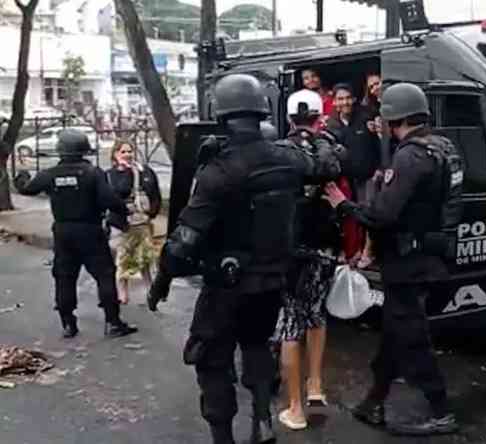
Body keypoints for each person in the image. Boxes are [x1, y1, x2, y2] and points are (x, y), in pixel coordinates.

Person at [155, 74, 344, 444]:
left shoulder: (220, 170)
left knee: (210, 359)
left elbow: (184, 242)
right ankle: (262, 421)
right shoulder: (288, 157)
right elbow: (328, 166)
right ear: (260, 111)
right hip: (271, 282)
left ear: (222, 114)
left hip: (226, 286)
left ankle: (223, 436)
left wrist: (163, 277)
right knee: (257, 346)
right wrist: (318, 137)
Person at [324, 82, 464, 436]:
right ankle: (374, 400)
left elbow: (383, 215)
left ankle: (441, 410)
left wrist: (343, 204)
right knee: (395, 334)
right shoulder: (444, 147)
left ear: (393, 118)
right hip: (430, 256)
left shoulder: (410, 155)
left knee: (412, 338)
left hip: (408, 263)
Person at [13, 129, 138, 339]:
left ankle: (68, 324)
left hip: (63, 232)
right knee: (105, 275)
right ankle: (113, 322)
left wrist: (22, 176)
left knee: (64, 277)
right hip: (90, 231)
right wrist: (126, 211)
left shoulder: (50, 174)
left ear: (60, 149)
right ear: (83, 149)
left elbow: (27, 189)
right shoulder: (92, 173)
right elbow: (109, 200)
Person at [274, 89, 344, 431]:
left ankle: (295, 408)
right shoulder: (329, 147)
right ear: (319, 117)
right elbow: (347, 163)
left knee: (290, 322)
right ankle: (316, 386)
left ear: (288, 119)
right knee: (317, 312)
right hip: (326, 245)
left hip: (291, 247)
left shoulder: (277, 152)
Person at [326, 83, 381, 267]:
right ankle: (351, 250)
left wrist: (379, 169)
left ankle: (368, 250)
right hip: (345, 179)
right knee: (345, 215)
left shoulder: (367, 117)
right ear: (334, 102)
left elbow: (380, 144)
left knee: (367, 213)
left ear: (354, 99)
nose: (345, 102)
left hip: (368, 175)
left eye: (348, 97)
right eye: (340, 99)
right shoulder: (331, 123)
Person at [106, 140, 162, 305]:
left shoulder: (145, 171)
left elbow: (154, 193)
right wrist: (129, 173)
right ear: (115, 155)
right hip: (122, 223)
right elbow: (118, 192)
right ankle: (122, 293)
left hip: (142, 221)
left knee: (145, 257)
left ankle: (151, 290)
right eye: (123, 152)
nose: (128, 155)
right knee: (124, 257)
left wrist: (152, 212)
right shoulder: (111, 175)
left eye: (130, 151)